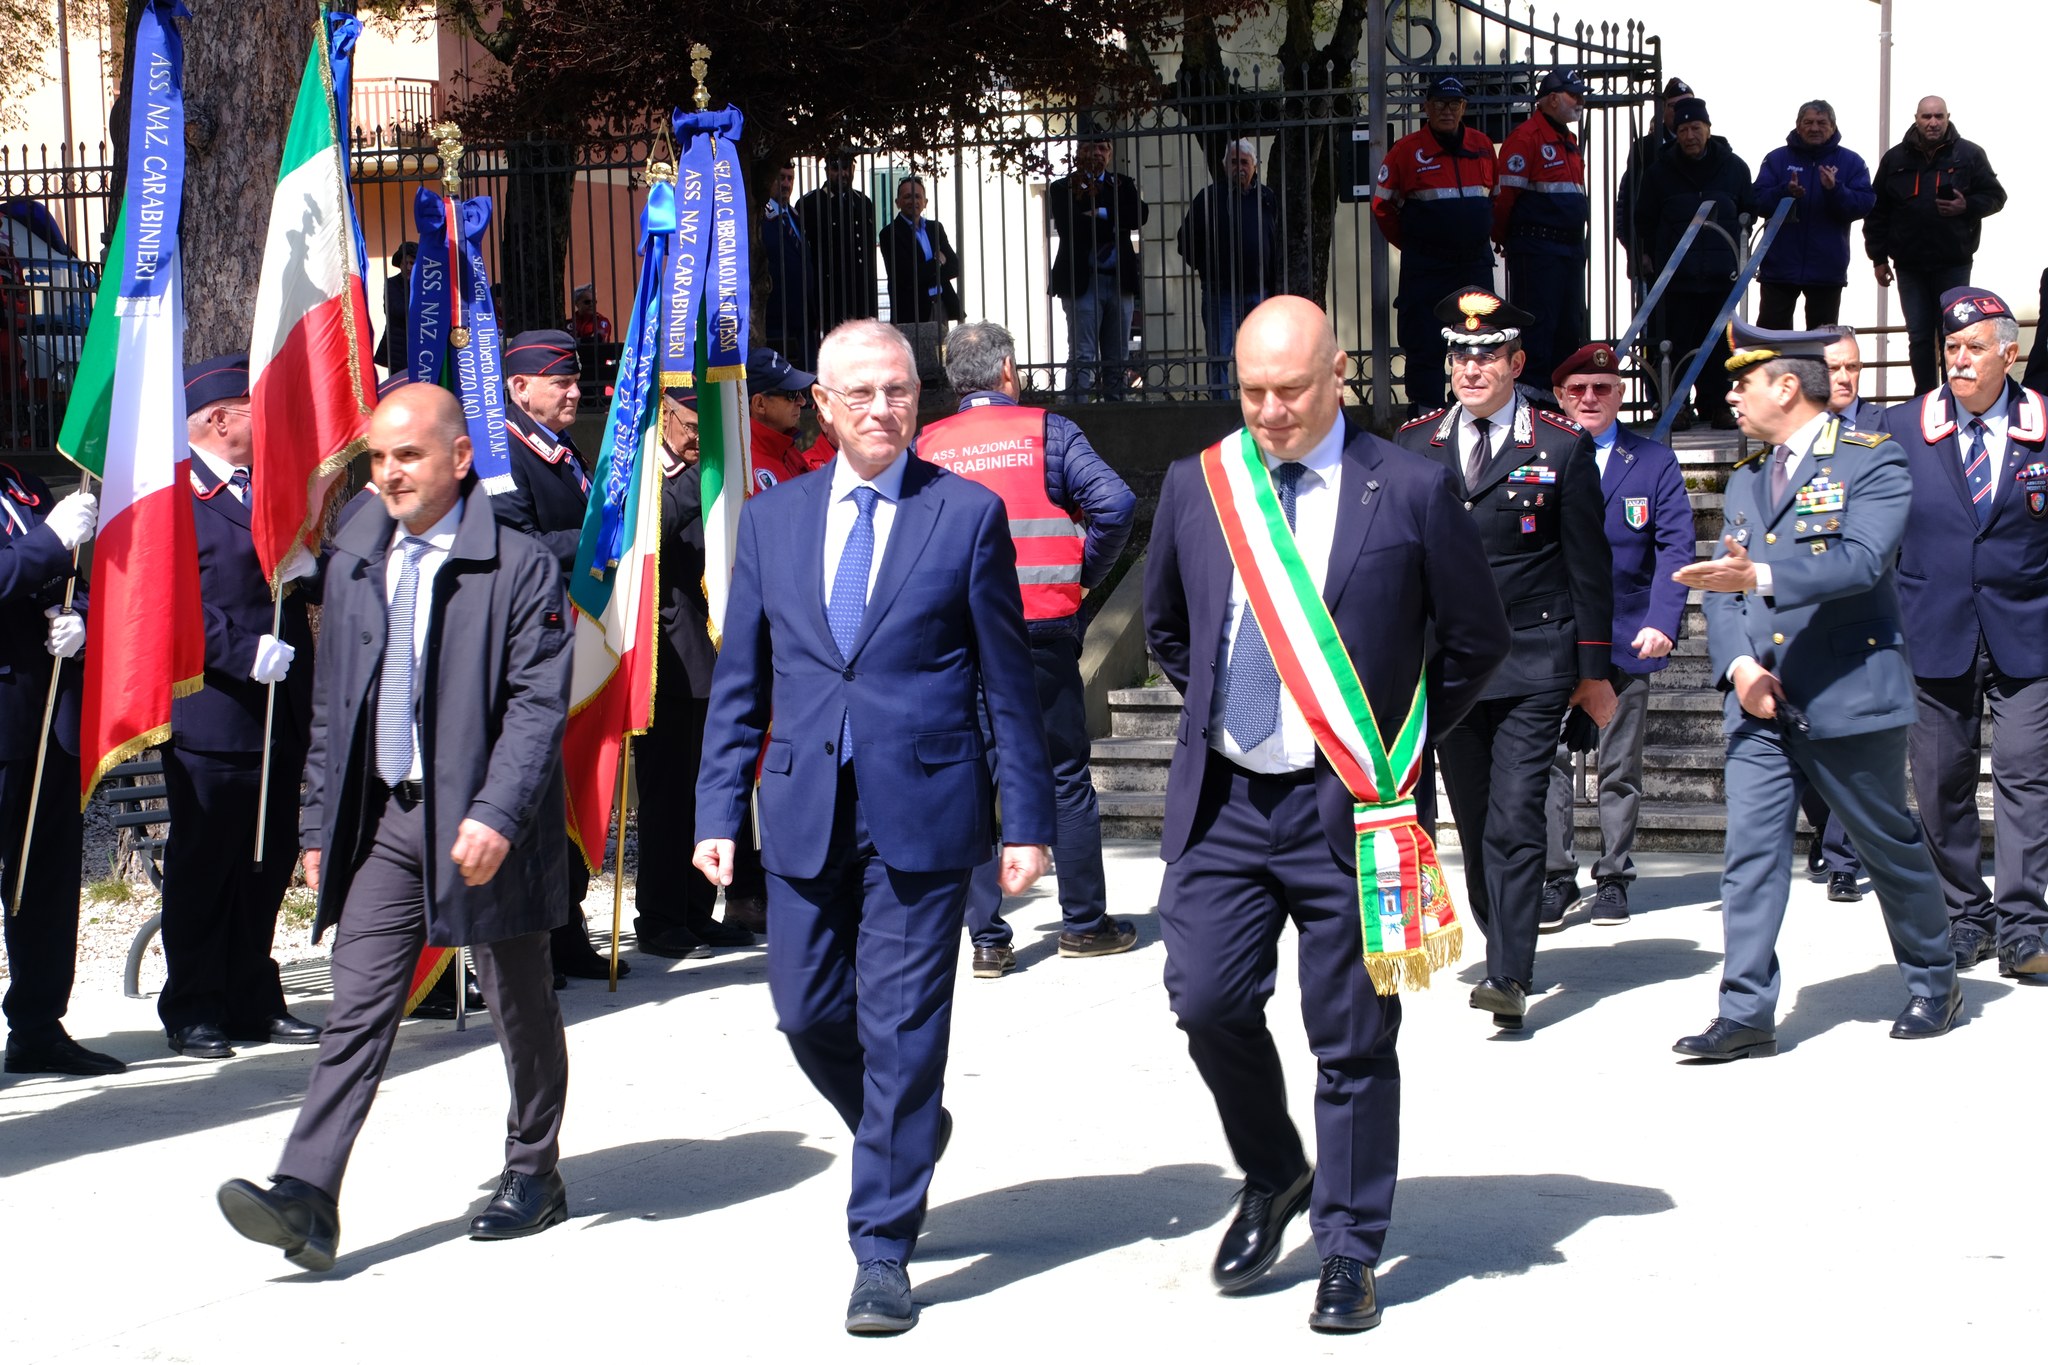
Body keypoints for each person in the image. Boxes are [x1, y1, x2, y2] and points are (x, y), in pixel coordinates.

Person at [1144, 295, 1509, 1332]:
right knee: (1204, 1000)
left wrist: (1389, 741)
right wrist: (1235, 723)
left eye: (1290, 390)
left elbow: (1474, 640)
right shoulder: (1198, 485)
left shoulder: (1410, 487)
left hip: (1353, 805)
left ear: (1338, 374)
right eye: (1251, 391)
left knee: (1351, 1035)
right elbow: (1168, 630)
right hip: (1224, 802)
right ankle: (1274, 1169)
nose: (1269, 412)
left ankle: (1349, 1245)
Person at [691, 319, 1055, 1336]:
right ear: (822, 404)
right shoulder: (773, 522)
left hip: (924, 810)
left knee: (902, 1027)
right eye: (859, 393)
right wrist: (717, 809)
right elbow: (741, 683)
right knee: (806, 1012)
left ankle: (882, 1246)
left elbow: (1007, 685)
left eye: (897, 389)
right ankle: (908, 1127)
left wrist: (1025, 821)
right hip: (804, 805)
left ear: (918, 396)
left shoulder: (965, 516)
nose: (882, 408)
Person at [217, 382, 576, 1270]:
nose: (389, 474)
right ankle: (307, 1193)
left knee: (519, 1001)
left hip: (485, 826)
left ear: (460, 457)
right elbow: (332, 702)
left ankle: (534, 1169)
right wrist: (316, 823)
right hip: (387, 818)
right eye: (378, 457)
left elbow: (537, 706)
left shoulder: (519, 563)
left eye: (408, 455)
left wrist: (497, 812)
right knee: (358, 1003)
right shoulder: (355, 554)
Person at [1670, 320, 1958, 1061]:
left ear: (1788, 386)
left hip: (1847, 693)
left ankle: (1935, 979)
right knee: (1751, 856)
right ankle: (1745, 1011)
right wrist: (1739, 667)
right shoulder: (1747, 475)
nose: (1731, 397)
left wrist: (1759, 576)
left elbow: (1862, 561)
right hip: (1761, 699)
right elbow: (1725, 589)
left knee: (1887, 845)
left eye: (1744, 383)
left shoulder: (1872, 459)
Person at [1394, 288, 1614, 1031]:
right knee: (1476, 816)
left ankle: (1508, 974)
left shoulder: (1559, 444)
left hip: (1533, 659)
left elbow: (1588, 566)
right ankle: (1503, 937)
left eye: (1486, 356)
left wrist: (1594, 670)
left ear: (1517, 365)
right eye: (1460, 354)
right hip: (1452, 669)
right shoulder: (1415, 444)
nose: (1470, 367)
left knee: (1516, 816)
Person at [923, 321, 1136, 977]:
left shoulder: (927, 444)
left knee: (972, 777)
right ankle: (1084, 924)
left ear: (955, 383)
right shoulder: (1050, 432)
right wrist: (1081, 574)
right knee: (1063, 773)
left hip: (959, 636)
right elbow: (1116, 503)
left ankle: (987, 941)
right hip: (1041, 628)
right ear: (1009, 372)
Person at [158, 355, 323, 1060]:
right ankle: (193, 1004)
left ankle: (252, 993)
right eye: (256, 410)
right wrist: (238, 650)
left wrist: (313, 570)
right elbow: (165, 600)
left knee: (267, 857)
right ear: (219, 419)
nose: (270, 421)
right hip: (216, 709)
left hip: (280, 707)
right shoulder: (175, 497)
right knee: (208, 862)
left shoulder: (265, 489)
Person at [1881, 288, 2048, 981]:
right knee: (1940, 783)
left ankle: (2024, 925)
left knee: (2026, 775)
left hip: (2028, 634)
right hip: (1932, 630)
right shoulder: (1900, 426)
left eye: (1974, 347)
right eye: (1950, 347)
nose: (1958, 360)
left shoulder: (2044, 425)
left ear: (2010, 353)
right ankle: (1964, 916)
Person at [1541, 344, 1693, 927]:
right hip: (1554, 635)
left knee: (1619, 766)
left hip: (1627, 635)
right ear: (1560, 397)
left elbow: (1675, 547)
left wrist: (1663, 621)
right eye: (1577, 389)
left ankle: (1612, 876)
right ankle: (1556, 875)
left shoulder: (1652, 462)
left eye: (1602, 388)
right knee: (1549, 762)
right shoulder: (1538, 454)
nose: (1590, 398)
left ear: (1621, 394)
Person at [494, 329, 621, 982]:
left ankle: (566, 926)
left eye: (575, 381)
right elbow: (514, 548)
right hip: (532, 647)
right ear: (519, 387)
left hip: (573, 643)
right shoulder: (503, 456)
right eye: (561, 382)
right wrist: (598, 539)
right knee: (536, 797)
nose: (575, 392)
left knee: (567, 787)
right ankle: (540, 936)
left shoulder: (562, 448)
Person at [1, 468, 122, 1076]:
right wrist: (49, 541)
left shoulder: (19, 487)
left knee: (45, 881)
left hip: (46, 712)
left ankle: (37, 1026)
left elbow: (67, 578)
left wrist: (80, 619)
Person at [630, 388, 754, 959]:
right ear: (666, 414)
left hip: (710, 653)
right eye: (692, 423)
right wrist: (699, 481)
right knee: (667, 797)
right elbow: (646, 534)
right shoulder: (645, 471)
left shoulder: (707, 471)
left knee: (704, 792)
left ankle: (697, 910)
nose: (700, 436)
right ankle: (660, 917)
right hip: (666, 661)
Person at [1371, 76, 1498, 414]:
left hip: (1473, 265)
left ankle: (1471, 413)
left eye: (1454, 104)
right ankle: (1426, 416)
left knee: (1476, 343)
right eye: (1440, 103)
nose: (1447, 110)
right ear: (1426, 107)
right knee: (1425, 342)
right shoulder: (1407, 151)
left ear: (1463, 108)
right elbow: (1382, 206)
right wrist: (1413, 244)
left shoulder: (1483, 146)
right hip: (1427, 268)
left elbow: (1495, 199)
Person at [1865, 97, 2007, 394]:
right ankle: (1926, 399)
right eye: (1927, 117)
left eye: (1938, 116)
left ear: (1947, 117)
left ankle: (1954, 398)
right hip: (1909, 266)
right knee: (1918, 336)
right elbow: (1877, 212)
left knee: (1953, 336)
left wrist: (1966, 205)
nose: (1933, 123)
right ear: (1916, 118)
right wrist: (1878, 258)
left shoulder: (1968, 154)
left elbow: (1996, 197)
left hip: (1953, 263)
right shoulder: (1895, 159)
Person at [1636, 98, 1753, 430]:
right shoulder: (1659, 172)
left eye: (1696, 128)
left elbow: (1748, 212)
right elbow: (1644, 218)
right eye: (1684, 129)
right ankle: (1676, 407)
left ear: (1708, 129)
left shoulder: (1734, 167)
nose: (1690, 136)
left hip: (1721, 277)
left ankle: (1719, 406)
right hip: (1677, 278)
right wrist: (1651, 256)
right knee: (1675, 344)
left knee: (1719, 346)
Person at [1495, 69, 1590, 383]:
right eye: (1573, 95)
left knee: (1568, 330)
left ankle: (1558, 401)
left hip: (1569, 250)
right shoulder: (1526, 138)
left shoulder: (1568, 139)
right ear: (1552, 99)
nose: (1580, 101)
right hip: (1538, 251)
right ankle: (1533, 403)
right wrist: (1504, 237)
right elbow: (1504, 198)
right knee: (1537, 332)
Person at [1751, 100, 1875, 330]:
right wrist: (1785, 193)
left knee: (1821, 343)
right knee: (1770, 341)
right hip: (1780, 267)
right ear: (1798, 126)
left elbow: (1864, 204)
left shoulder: (1852, 162)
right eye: (1808, 122)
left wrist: (1834, 190)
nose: (1814, 128)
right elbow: (1756, 201)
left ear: (1833, 127)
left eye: (1821, 123)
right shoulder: (1776, 159)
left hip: (1826, 269)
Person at [1176, 138, 1283, 399]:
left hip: (1258, 292)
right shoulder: (1209, 198)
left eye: (1244, 162)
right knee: (1219, 357)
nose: (1239, 168)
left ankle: (1258, 406)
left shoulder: (1267, 198)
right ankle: (1220, 410)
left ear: (1254, 166)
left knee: (1260, 356)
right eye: (1234, 162)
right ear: (1225, 166)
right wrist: (1206, 268)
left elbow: (1278, 240)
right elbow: (1186, 240)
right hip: (1220, 294)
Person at [1047, 128, 1147, 401]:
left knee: (1117, 357)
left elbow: (1139, 215)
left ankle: (1116, 411)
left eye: (1103, 148)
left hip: (1118, 281)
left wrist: (1101, 213)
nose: (1097, 154)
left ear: (1110, 154)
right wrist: (1115, 223)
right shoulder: (1063, 188)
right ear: (1079, 153)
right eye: (1091, 148)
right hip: (1083, 282)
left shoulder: (1122, 185)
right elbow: (1071, 227)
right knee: (1082, 355)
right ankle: (1077, 413)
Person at [1616, 77, 1697, 294]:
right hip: (1654, 255)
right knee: (1654, 312)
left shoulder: (1710, 147)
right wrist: (1637, 251)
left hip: (1695, 256)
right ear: (1662, 109)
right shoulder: (1644, 148)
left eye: (1687, 103)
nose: (1681, 111)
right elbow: (1631, 203)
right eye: (1674, 106)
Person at [796, 150, 879, 339]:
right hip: (828, 297)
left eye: (847, 167)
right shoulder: (810, 204)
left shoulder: (863, 202)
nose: (842, 173)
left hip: (860, 296)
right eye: (836, 168)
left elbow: (868, 256)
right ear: (827, 170)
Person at [876, 176, 961, 327]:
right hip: (911, 311)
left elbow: (954, 267)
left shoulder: (935, 228)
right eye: (907, 196)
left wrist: (924, 272)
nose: (913, 201)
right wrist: (937, 262)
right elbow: (906, 277)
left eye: (917, 196)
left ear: (925, 202)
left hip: (940, 305)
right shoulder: (890, 234)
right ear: (897, 202)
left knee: (942, 344)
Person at [760, 162, 814, 369]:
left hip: (802, 313)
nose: (785, 184)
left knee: (806, 372)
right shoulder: (761, 217)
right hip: (776, 314)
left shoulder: (794, 215)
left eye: (790, 178)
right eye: (780, 177)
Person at [746, 346, 821, 491]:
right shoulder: (743, 469)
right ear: (760, 404)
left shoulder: (786, 449)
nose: (802, 401)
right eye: (791, 394)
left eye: (800, 392)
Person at [373, 241, 416, 372]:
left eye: (412, 263)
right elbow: (395, 310)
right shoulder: (391, 283)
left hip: (419, 345)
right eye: (404, 263)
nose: (408, 267)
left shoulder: (426, 285)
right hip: (397, 347)